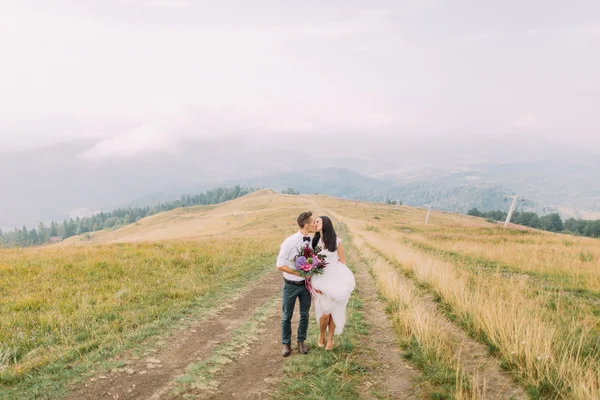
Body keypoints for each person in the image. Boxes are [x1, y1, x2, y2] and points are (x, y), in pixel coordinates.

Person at [310, 216, 356, 350]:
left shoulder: (336, 242)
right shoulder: (315, 241)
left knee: (334, 310)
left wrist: (342, 281)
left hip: (335, 280)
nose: (315, 224)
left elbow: (342, 262)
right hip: (319, 280)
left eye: (317, 221)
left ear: (325, 223)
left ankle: (330, 339)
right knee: (324, 314)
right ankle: (321, 335)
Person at [276, 211, 316, 357]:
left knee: (304, 314)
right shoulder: (289, 241)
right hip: (291, 285)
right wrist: (299, 273)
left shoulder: (313, 241)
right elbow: (280, 264)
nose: (314, 225)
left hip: (306, 285)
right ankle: (286, 344)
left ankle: (301, 341)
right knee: (287, 315)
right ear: (306, 225)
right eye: (312, 222)